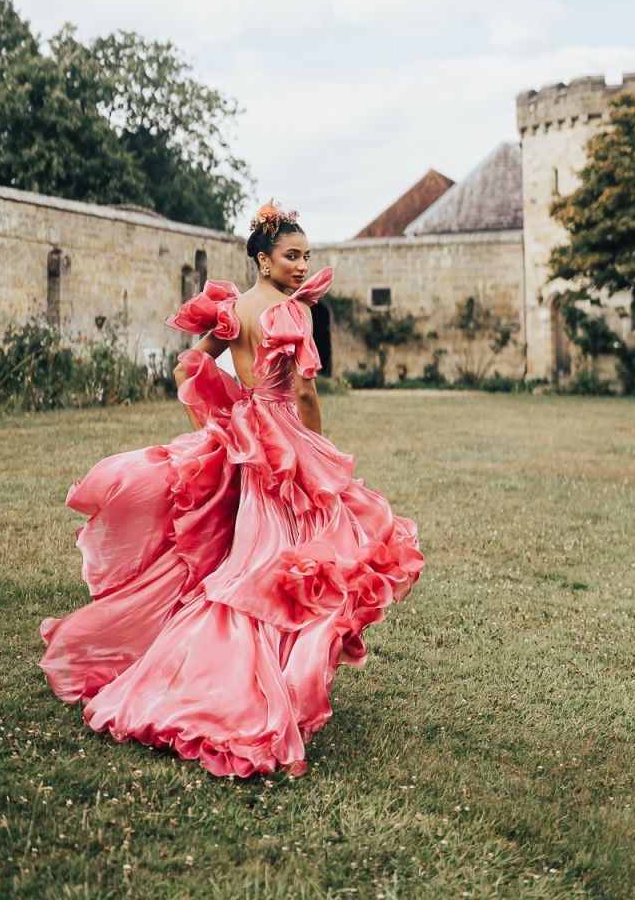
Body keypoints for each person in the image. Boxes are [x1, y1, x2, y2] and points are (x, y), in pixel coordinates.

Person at [39, 202, 424, 778]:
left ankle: (225, 676)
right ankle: (244, 692)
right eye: (291, 256)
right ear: (263, 260)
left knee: (257, 564)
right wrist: (313, 448)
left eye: (306, 256)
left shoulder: (231, 307)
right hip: (282, 443)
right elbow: (307, 397)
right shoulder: (291, 315)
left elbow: (189, 366)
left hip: (248, 443)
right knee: (281, 568)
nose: (301, 266)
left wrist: (223, 420)